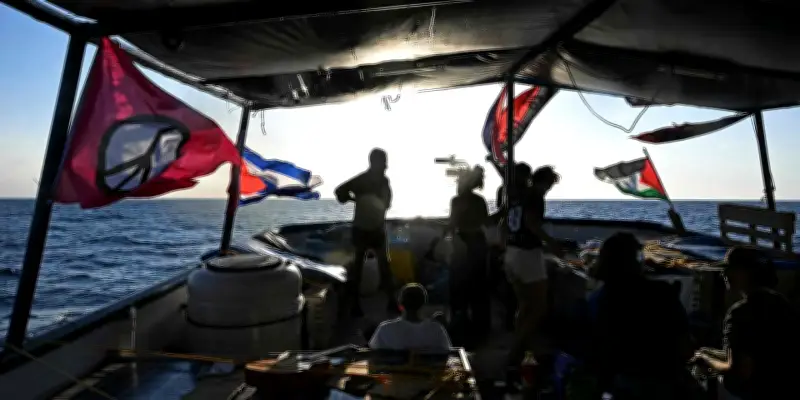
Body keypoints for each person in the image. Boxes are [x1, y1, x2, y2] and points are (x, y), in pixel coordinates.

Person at [589, 232, 698, 399]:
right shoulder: (662, 293)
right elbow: (686, 350)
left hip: (615, 387)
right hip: (662, 385)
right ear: (636, 261)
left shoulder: (596, 301)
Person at [692, 246, 800, 400]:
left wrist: (707, 360)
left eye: (730, 269)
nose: (724, 274)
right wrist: (711, 353)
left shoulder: (739, 313)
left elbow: (739, 370)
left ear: (746, 273)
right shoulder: (781, 303)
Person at [504, 165, 562, 371]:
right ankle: (515, 353)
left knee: (524, 306)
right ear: (544, 182)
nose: (548, 190)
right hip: (527, 255)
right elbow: (531, 223)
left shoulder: (517, 196)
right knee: (538, 308)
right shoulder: (535, 197)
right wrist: (551, 243)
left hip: (511, 253)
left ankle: (520, 347)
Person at [335, 148, 396, 316]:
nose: (385, 166)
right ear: (375, 162)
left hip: (374, 229)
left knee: (380, 267)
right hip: (365, 229)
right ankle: (355, 305)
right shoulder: (364, 181)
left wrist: (357, 199)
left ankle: (390, 301)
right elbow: (340, 192)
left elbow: (387, 204)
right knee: (360, 269)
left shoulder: (379, 181)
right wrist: (354, 198)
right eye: (383, 162)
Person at [447, 166, 491, 346]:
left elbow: (453, 223)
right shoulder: (480, 201)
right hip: (478, 244)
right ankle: (481, 327)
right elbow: (486, 222)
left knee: (458, 286)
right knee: (478, 286)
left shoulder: (456, 201)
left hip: (462, 244)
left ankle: (460, 323)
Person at [369, 283, 452, 353]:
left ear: (400, 304)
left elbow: (373, 358)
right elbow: (446, 354)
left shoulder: (385, 329)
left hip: (394, 372)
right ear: (424, 304)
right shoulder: (437, 330)